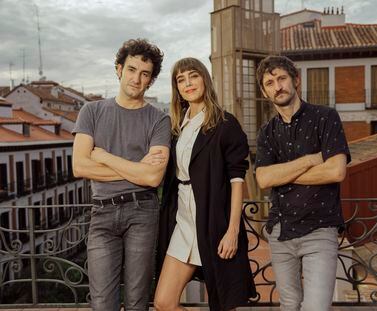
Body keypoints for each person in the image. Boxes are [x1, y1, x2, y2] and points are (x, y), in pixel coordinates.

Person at [72, 38, 171, 311]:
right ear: (118, 69)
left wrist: (102, 156)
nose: (137, 79)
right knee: (103, 303)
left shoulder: (159, 119)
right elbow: (79, 166)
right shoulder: (90, 111)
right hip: (101, 214)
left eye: (145, 74)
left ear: (151, 81)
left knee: (138, 301)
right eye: (131, 69)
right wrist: (137, 167)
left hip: (143, 212)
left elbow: (153, 179)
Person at [155, 57, 256, 311]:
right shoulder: (176, 127)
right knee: (164, 302)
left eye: (193, 76)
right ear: (176, 88)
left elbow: (237, 182)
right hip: (182, 221)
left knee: (222, 303)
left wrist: (232, 231)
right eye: (181, 79)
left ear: (205, 79)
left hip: (214, 221)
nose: (188, 83)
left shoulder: (225, 123)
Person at [255, 56, 351, 311]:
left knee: (316, 307)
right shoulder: (266, 132)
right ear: (265, 92)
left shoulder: (325, 118)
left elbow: (336, 171)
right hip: (280, 231)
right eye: (270, 83)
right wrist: (311, 160)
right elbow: (263, 179)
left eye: (282, 78)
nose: (278, 86)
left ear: (296, 80)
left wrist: (282, 174)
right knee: (289, 305)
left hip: (320, 230)